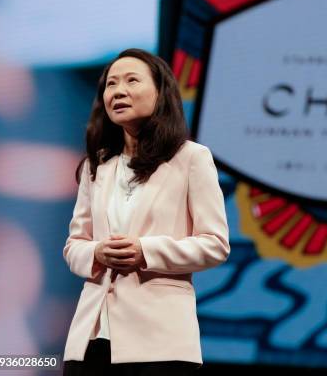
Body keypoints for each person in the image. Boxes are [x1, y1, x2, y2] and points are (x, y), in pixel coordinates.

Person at [62, 48, 230, 375]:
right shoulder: (98, 166)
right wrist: (97, 252)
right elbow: (74, 245)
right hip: (92, 337)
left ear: (160, 92)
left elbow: (215, 243)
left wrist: (146, 251)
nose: (118, 91)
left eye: (131, 80)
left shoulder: (191, 158)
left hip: (159, 341)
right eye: (111, 84)